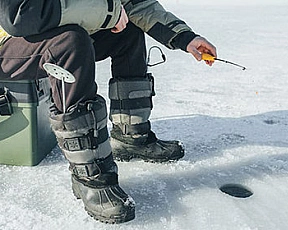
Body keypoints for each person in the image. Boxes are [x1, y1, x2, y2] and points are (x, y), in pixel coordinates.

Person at [0, 0, 217, 224]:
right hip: (7, 41)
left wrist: (185, 37)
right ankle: (90, 177)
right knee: (69, 42)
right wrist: (109, 12)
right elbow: (18, 16)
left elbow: (134, 4)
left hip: (45, 31)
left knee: (128, 31)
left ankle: (130, 137)